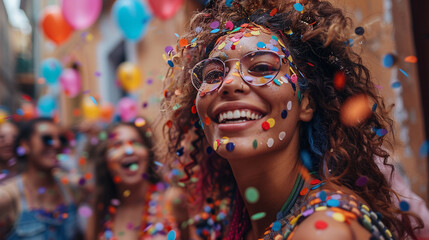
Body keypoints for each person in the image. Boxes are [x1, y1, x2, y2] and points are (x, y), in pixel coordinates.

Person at [161, 0, 424, 239]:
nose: (229, 83)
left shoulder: (324, 230)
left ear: (306, 103)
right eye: (214, 74)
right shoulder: (236, 217)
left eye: (262, 67)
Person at [86, 121, 182, 240]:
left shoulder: (173, 200)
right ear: (105, 160)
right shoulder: (101, 211)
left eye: (136, 142)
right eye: (117, 145)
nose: (128, 150)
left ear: (148, 153)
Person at [0, 117, 79, 239]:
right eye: (47, 139)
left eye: (62, 139)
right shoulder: (7, 197)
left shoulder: (70, 189)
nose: (57, 144)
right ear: (25, 145)